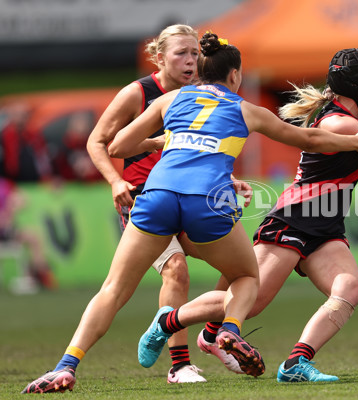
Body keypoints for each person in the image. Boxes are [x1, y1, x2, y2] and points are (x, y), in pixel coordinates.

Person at [21, 32, 358, 394]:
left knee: (113, 289)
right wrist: (357, 142)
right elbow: (309, 140)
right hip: (205, 201)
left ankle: (65, 366)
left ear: (201, 69)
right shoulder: (246, 109)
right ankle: (228, 330)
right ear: (235, 76)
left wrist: (166, 140)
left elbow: (118, 145)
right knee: (245, 275)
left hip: (157, 196)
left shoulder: (172, 99)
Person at [160, 46, 358, 383]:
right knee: (253, 301)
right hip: (294, 219)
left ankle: (295, 364)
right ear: (356, 88)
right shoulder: (340, 122)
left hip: (326, 227)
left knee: (348, 290)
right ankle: (167, 323)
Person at [85, 24, 210, 383]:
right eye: (181, 53)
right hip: (146, 201)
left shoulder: (200, 93)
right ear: (158, 57)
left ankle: (215, 336)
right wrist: (115, 180)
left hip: (188, 197)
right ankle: (179, 365)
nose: (191, 61)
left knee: (245, 266)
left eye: (195, 53)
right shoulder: (137, 93)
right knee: (176, 270)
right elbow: (98, 142)